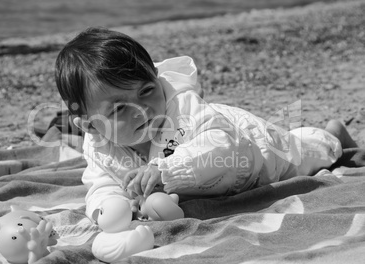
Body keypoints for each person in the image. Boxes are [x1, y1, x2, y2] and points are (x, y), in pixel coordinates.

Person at [55, 27, 357, 222]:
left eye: (147, 90)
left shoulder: (182, 110)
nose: (142, 109)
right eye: (120, 108)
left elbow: (219, 145)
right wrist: (109, 210)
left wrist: (165, 170)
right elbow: (101, 183)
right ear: (91, 126)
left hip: (256, 151)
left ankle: (332, 134)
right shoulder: (98, 147)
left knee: (306, 153)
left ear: (157, 80)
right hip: (207, 183)